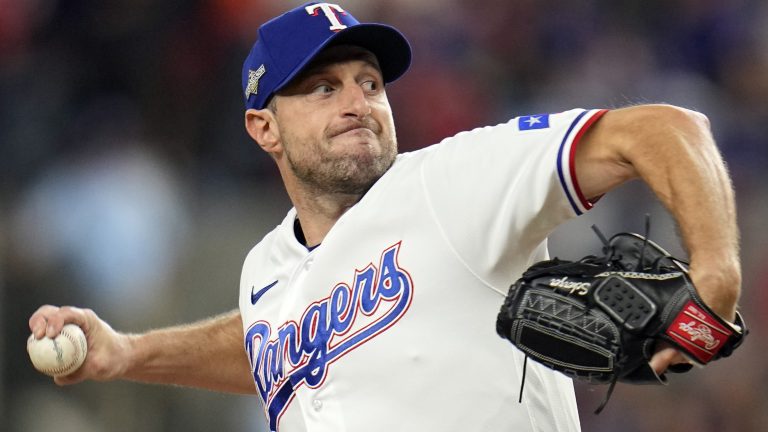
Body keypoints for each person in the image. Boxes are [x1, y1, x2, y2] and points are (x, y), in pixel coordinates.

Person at [28, 2, 741, 431]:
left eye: (370, 82)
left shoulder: (452, 182)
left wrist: (715, 274)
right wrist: (129, 353)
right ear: (262, 128)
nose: (358, 101)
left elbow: (664, 130)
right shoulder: (266, 269)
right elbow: (277, 341)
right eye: (323, 87)